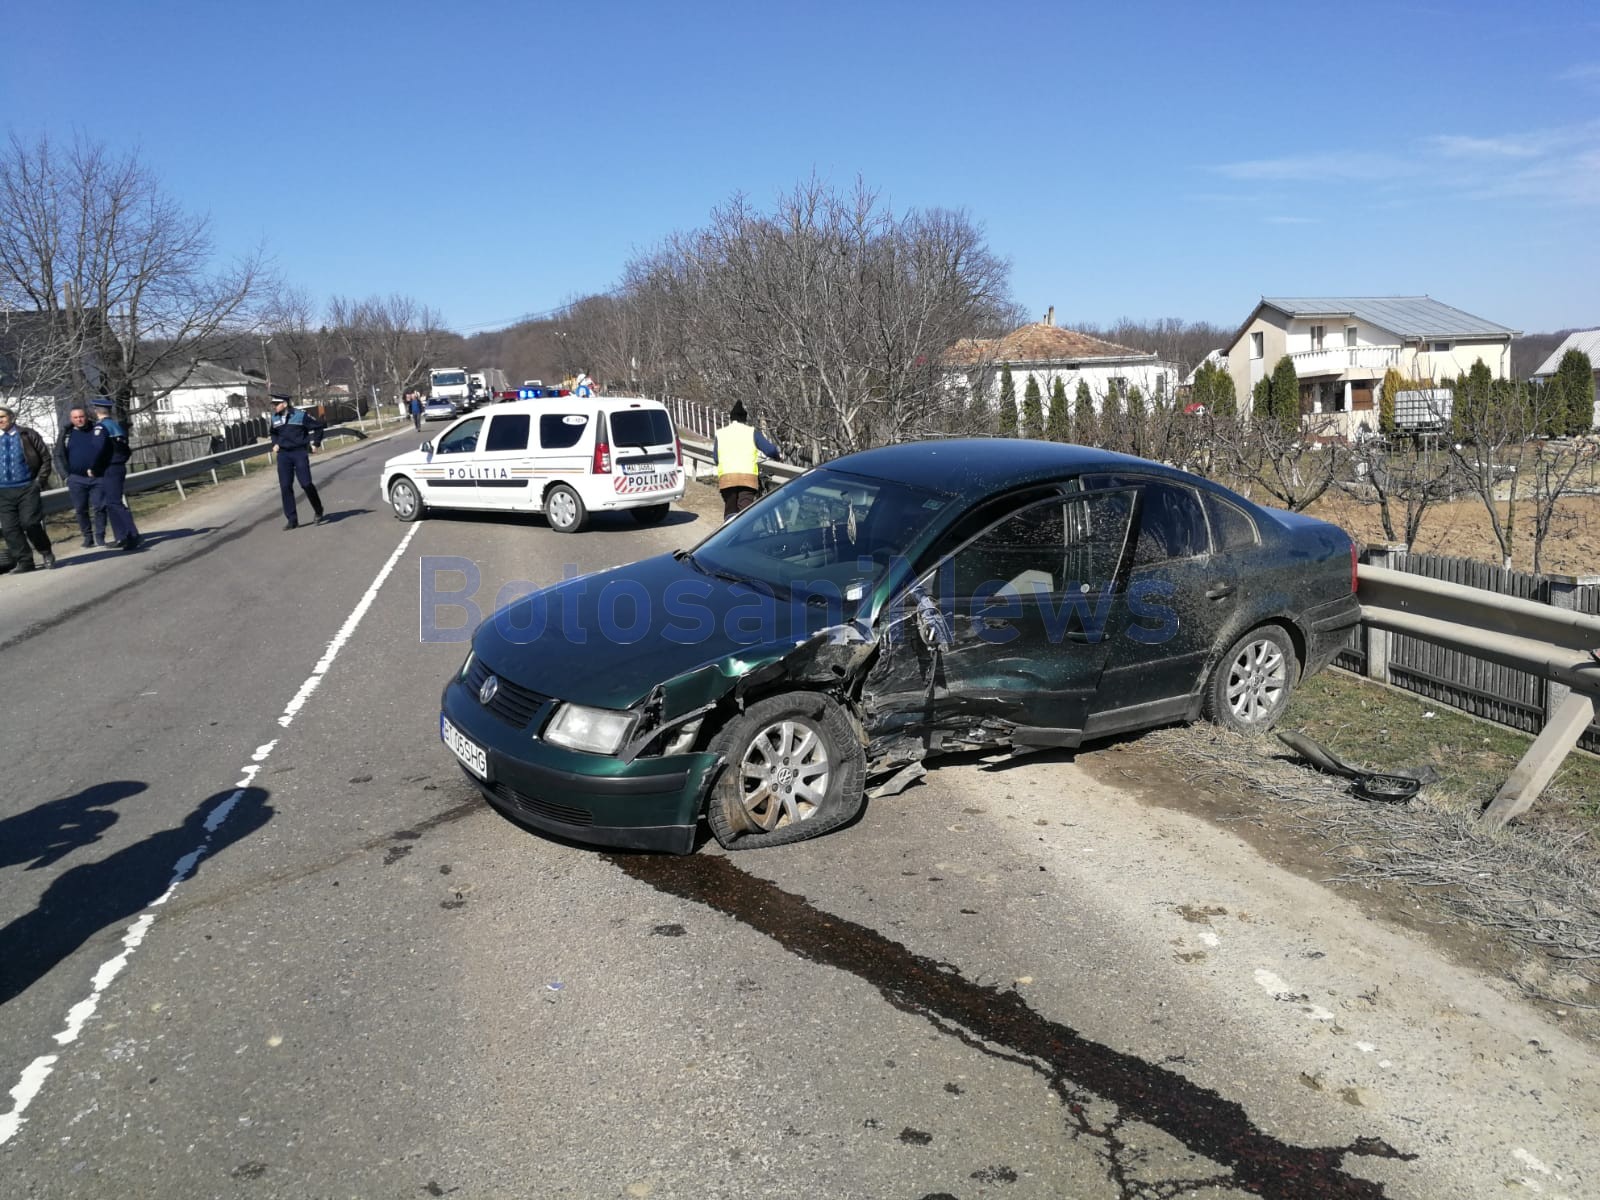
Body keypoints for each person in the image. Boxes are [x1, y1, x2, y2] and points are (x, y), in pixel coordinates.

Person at [0, 406, 55, 572]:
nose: (0, 420)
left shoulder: (27, 434)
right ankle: (25, 561)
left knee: (30, 523)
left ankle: (46, 551)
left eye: (2, 417)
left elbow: (45, 458)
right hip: (3, 491)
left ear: (11, 417)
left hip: (27, 487)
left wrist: (39, 481)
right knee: (9, 529)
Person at [89, 398, 143, 551]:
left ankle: (132, 534)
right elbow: (126, 449)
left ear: (96, 411)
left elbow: (97, 449)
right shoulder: (115, 426)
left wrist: (93, 467)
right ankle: (121, 537)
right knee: (111, 503)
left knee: (114, 503)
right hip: (118, 466)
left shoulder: (101, 427)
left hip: (110, 468)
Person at [53, 406, 111, 548]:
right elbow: (58, 455)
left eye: (81, 416)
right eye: (76, 417)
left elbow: (107, 450)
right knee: (80, 509)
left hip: (98, 477)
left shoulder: (97, 429)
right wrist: (65, 476)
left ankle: (100, 536)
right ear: (71, 419)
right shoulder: (66, 434)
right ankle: (87, 537)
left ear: (86, 416)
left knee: (100, 507)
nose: (79, 420)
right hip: (76, 479)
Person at [713, 400, 781, 520]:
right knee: (745, 513)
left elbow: (716, 458)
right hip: (747, 479)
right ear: (744, 419)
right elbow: (770, 450)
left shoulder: (721, 433)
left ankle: (729, 530)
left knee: (730, 510)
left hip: (726, 478)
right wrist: (777, 457)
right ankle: (744, 530)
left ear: (731, 418)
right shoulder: (752, 432)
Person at [269, 394, 325, 529]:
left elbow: (318, 427)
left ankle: (318, 509)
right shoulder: (274, 418)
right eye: (273, 405)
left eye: (276, 404)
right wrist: (275, 443)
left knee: (306, 484)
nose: (274, 407)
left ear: (285, 404)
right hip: (283, 455)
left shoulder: (300, 416)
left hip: (299, 452)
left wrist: (316, 444)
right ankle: (292, 519)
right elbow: (273, 433)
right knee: (285, 486)